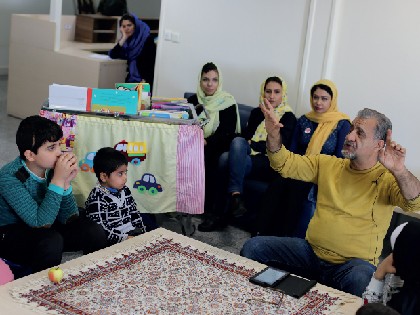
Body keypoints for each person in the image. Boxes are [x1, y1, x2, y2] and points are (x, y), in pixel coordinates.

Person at [241, 105, 420, 297]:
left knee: (362, 279)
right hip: (310, 253)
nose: (350, 136)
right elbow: (284, 164)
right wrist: (274, 135)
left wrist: (399, 170)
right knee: (254, 247)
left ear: (378, 145)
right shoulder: (328, 164)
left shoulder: (387, 178)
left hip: (352, 265)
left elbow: (414, 202)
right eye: (351, 129)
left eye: (360, 133)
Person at [0, 116, 108, 274]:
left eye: (59, 145)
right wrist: (58, 179)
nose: (59, 153)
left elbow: (69, 216)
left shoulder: (50, 167)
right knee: (51, 241)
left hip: (45, 220)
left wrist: (66, 184)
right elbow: (40, 223)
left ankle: (96, 276)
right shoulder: (9, 177)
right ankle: (38, 288)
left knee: (93, 230)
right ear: (30, 155)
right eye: (51, 148)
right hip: (12, 232)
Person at [197, 76, 297, 232]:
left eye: (276, 92)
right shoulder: (257, 112)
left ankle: (221, 213)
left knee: (225, 160)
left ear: (283, 94)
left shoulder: (288, 117)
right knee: (236, 143)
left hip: (268, 160)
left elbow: (281, 147)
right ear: (263, 92)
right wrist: (246, 142)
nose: (271, 96)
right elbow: (246, 137)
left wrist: (253, 144)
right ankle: (235, 197)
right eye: (268, 91)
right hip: (248, 155)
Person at [255, 79, 351, 237]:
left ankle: (287, 239)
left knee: (300, 191)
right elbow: (291, 150)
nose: (318, 102)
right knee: (279, 183)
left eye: (324, 98)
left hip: (323, 173)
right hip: (299, 168)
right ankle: (261, 233)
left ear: (332, 100)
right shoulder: (304, 119)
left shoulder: (342, 124)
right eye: (315, 97)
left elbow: (341, 158)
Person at [187, 62, 241, 219]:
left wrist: (206, 141)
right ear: (200, 81)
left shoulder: (227, 102)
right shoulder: (193, 100)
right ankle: (184, 204)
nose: (210, 84)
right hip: (195, 142)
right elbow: (185, 124)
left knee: (210, 157)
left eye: (214, 80)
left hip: (219, 145)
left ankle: (210, 212)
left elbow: (226, 131)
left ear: (219, 81)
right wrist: (196, 139)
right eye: (205, 79)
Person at [85, 147, 157, 245]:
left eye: (125, 172)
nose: (125, 178)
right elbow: (102, 230)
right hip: (113, 240)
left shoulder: (125, 190)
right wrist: (126, 238)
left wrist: (143, 232)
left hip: (131, 232)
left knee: (148, 219)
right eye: (120, 174)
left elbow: (134, 213)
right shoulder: (96, 198)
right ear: (104, 177)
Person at [362, 221, 420, 314]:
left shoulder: (408, 302)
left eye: (396, 252)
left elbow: (368, 311)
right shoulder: (411, 288)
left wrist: (379, 275)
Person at [109, 13, 156, 89]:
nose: (126, 29)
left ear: (135, 26)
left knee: (140, 100)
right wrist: (124, 38)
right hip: (131, 80)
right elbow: (113, 54)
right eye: (124, 26)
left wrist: (144, 83)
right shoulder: (127, 41)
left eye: (129, 25)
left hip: (144, 81)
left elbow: (151, 64)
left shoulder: (147, 40)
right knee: (121, 99)